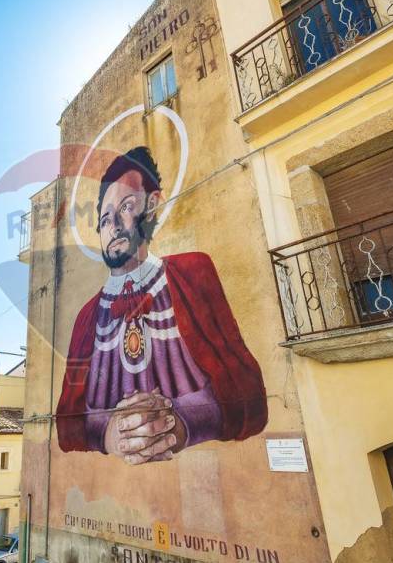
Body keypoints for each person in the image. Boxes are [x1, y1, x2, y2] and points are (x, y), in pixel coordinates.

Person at [56, 146, 267, 464]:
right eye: (105, 219)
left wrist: (178, 424)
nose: (114, 225)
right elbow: (67, 422)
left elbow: (247, 391)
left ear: (152, 205)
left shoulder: (193, 273)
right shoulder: (86, 318)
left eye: (126, 207)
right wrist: (110, 433)